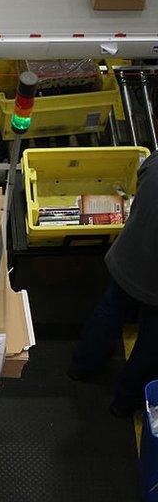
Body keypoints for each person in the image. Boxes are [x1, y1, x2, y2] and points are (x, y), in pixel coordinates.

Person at [70, 152, 158, 417]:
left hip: (127, 260)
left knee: (109, 313)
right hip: (154, 286)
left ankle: (82, 366)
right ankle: (124, 401)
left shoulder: (155, 162)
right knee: (151, 345)